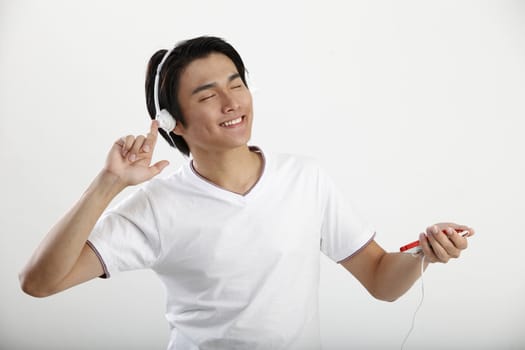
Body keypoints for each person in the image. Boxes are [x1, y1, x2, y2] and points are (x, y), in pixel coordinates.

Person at [19, 36, 474, 350]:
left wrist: (423, 254)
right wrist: (108, 183)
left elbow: (379, 280)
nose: (232, 101)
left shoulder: (305, 178)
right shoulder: (157, 206)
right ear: (172, 120)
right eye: (208, 94)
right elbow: (39, 283)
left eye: (236, 83)